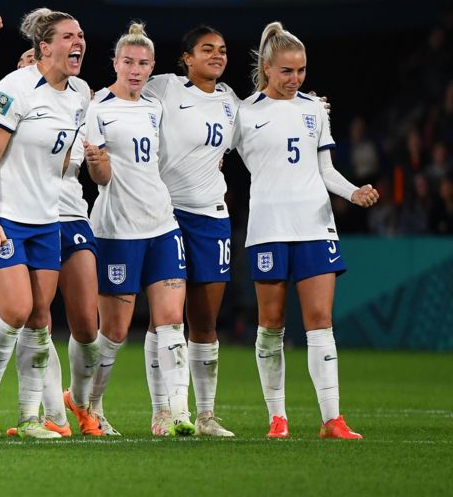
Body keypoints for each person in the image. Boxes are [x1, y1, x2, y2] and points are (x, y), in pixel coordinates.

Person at [0, 9, 106, 437]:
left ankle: (32, 417)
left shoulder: (80, 93)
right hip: (1, 212)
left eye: (81, 34)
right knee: (15, 310)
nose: (79, 41)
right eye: (69, 35)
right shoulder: (15, 89)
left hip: (44, 216)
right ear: (44, 47)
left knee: (38, 319)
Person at [235, 22, 377, 439]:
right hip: (268, 228)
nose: (295, 79)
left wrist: (354, 192)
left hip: (315, 225)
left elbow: (325, 170)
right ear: (266, 67)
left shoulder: (314, 108)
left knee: (319, 322)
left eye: (301, 70)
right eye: (286, 71)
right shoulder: (244, 113)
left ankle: (332, 419)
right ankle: (277, 418)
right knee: (271, 324)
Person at [85, 22, 196, 436]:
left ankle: (173, 413)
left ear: (152, 67)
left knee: (171, 322)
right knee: (113, 333)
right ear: (114, 63)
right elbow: (100, 177)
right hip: (117, 230)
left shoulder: (156, 107)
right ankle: (91, 406)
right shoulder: (97, 107)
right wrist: (98, 165)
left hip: (162, 225)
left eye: (143, 63)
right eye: (128, 62)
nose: (135, 69)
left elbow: (164, 160)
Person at [140, 26, 240, 436]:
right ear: (187, 58)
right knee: (165, 320)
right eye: (207, 49)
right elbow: (116, 95)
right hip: (167, 214)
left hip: (213, 218)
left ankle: (205, 415)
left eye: (222, 49)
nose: (217, 55)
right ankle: (163, 411)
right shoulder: (163, 88)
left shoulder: (232, 100)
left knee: (205, 321)